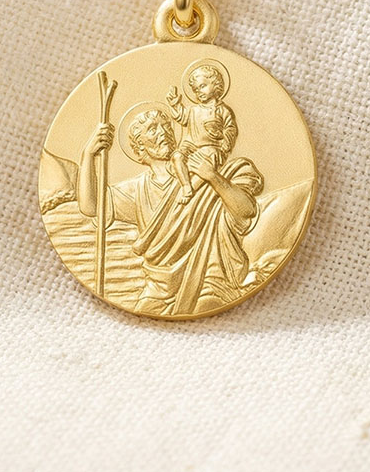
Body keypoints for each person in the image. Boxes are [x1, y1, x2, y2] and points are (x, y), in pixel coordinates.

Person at [78, 108, 262, 316]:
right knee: (142, 315)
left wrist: (213, 177)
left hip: (210, 278)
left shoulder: (203, 171)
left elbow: (247, 210)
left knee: (207, 305)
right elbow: (90, 207)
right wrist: (88, 155)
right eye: (152, 129)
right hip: (158, 288)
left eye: (166, 126)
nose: (163, 132)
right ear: (140, 148)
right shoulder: (137, 190)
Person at [166, 64, 237, 200]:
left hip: (211, 147)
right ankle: (186, 185)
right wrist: (174, 104)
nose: (199, 91)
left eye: (202, 86)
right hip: (190, 146)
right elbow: (181, 116)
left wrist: (225, 143)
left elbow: (230, 128)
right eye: (196, 89)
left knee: (202, 166)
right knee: (177, 157)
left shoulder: (223, 110)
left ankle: (194, 188)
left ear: (216, 84)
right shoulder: (193, 110)